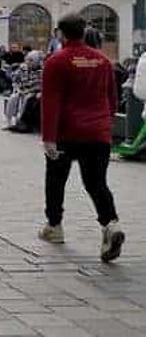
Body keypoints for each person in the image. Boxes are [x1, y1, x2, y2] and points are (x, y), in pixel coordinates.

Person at [39, 15, 124, 262]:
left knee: (56, 179)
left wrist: (49, 138)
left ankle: (54, 226)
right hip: (98, 133)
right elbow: (112, 99)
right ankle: (111, 223)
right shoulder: (103, 61)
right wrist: (105, 125)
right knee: (97, 183)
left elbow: (51, 103)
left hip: (67, 133)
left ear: (61, 34)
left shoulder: (57, 61)